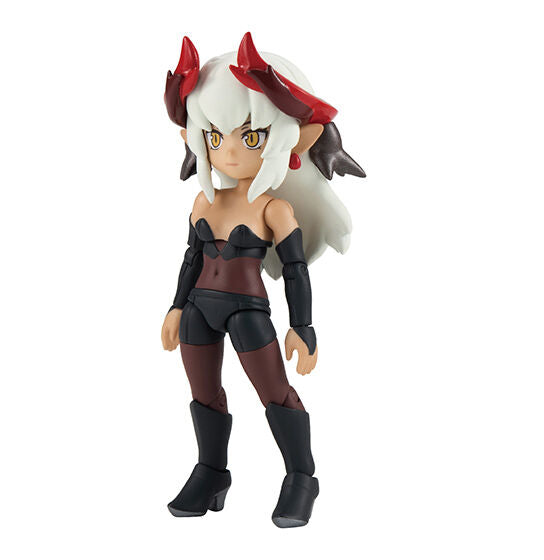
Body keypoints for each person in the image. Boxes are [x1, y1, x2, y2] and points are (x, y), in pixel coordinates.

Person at [161, 32, 365, 528]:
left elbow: (295, 271)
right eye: (215, 136)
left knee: (274, 391)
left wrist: (303, 326)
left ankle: (301, 477)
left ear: (290, 139)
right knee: (203, 393)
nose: (230, 150)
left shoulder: (274, 209)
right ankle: (211, 471)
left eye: (250, 136)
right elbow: (191, 259)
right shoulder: (204, 202)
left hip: (248, 311)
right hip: (198, 310)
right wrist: (175, 306)